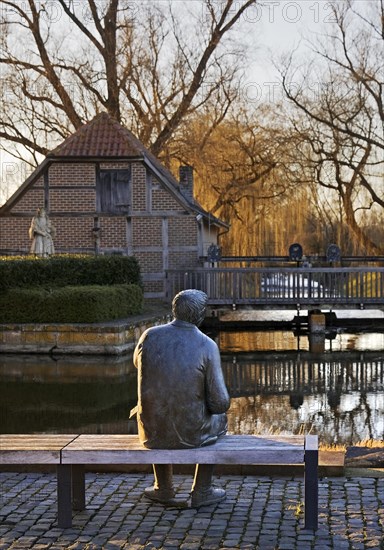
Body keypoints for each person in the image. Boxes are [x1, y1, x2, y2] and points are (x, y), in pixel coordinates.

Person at [132, 289, 230, 508]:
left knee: (157, 409)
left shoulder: (149, 335)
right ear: (199, 315)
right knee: (221, 417)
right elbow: (219, 403)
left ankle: (163, 487)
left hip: (151, 429)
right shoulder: (207, 345)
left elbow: (138, 364)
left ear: (174, 310)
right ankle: (202, 490)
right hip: (191, 432)